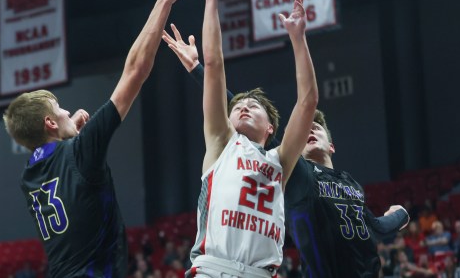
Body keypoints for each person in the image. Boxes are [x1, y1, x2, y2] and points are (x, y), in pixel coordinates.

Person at [162, 19, 409, 277]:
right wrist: (198, 69)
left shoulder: (351, 185)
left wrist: (401, 214)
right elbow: (244, 113)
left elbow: (374, 226)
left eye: (318, 129)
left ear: (332, 146)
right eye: (306, 130)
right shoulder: (296, 172)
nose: (310, 130)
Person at [2, 0, 196, 278]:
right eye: (60, 109)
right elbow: (135, 70)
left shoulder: (29, 176)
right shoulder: (80, 152)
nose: (68, 111)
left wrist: (70, 134)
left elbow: (65, 175)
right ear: (49, 122)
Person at [182, 0, 319, 277]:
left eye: (253, 105)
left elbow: (308, 102)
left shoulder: (279, 162)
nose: (243, 105)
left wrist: (299, 40)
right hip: (213, 270)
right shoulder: (220, 143)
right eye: (238, 105)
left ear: (271, 127)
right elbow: (214, 65)